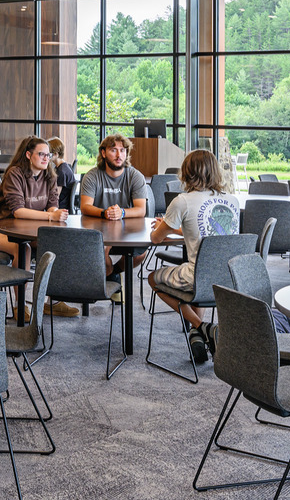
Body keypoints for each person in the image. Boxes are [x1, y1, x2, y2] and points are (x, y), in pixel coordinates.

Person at [147, 149, 241, 364]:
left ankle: (202, 327)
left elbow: (155, 239)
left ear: (187, 173)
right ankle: (197, 337)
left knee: (154, 278)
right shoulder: (232, 201)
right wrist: (175, 229)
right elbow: (208, 233)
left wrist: (165, 227)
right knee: (198, 278)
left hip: (197, 278)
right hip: (229, 278)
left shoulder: (182, 201)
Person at [0, 136, 74, 316]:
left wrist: (54, 211)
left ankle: (53, 302)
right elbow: (18, 211)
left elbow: (52, 202)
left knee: (56, 244)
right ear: (28, 154)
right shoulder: (15, 174)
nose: (45, 159)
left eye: (48, 155)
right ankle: (20, 305)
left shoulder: (49, 174)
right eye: (41, 154)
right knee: (23, 249)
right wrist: (51, 216)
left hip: (30, 230)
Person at [79, 133, 150, 277]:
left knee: (141, 253)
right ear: (103, 153)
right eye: (113, 150)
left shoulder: (135, 176)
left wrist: (121, 213)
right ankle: (109, 280)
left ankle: (114, 274)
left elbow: (141, 210)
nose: (119, 155)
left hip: (127, 230)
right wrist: (104, 213)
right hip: (98, 229)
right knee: (103, 250)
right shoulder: (92, 176)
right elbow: (85, 206)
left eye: (122, 150)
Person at [47, 136, 76, 210]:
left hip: (60, 207)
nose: (46, 157)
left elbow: (56, 196)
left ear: (56, 154)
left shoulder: (61, 171)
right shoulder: (65, 167)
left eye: (48, 154)